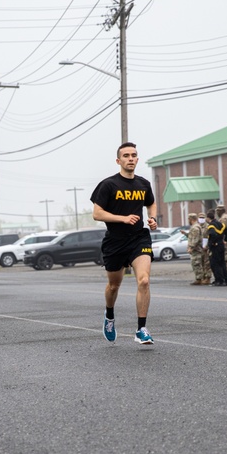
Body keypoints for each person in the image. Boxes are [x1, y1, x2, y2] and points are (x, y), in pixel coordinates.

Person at [90, 142, 158, 345]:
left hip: (139, 238)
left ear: (137, 159)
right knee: (114, 285)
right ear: (119, 160)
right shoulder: (108, 185)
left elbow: (151, 202)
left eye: (134, 155)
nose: (130, 158)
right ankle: (109, 315)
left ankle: (141, 329)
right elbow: (97, 213)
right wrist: (123, 218)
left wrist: (153, 218)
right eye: (126, 155)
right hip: (115, 241)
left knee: (144, 280)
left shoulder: (143, 184)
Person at [206, 209, 227, 286]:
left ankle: (219, 280)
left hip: (215, 246)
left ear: (208, 218)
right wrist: (225, 240)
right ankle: (226, 279)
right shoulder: (220, 224)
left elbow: (212, 234)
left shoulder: (211, 225)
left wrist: (211, 244)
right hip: (221, 245)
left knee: (215, 264)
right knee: (222, 263)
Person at [186, 213, 207, 285]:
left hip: (196, 250)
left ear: (191, 219)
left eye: (188, 219)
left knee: (196, 263)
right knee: (195, 263)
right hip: (196, 249)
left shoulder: (195, 228)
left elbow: (196, 239)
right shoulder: (195, 226)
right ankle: (198, 278)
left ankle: (199, 279)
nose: (188, 220)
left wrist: (191, 247)